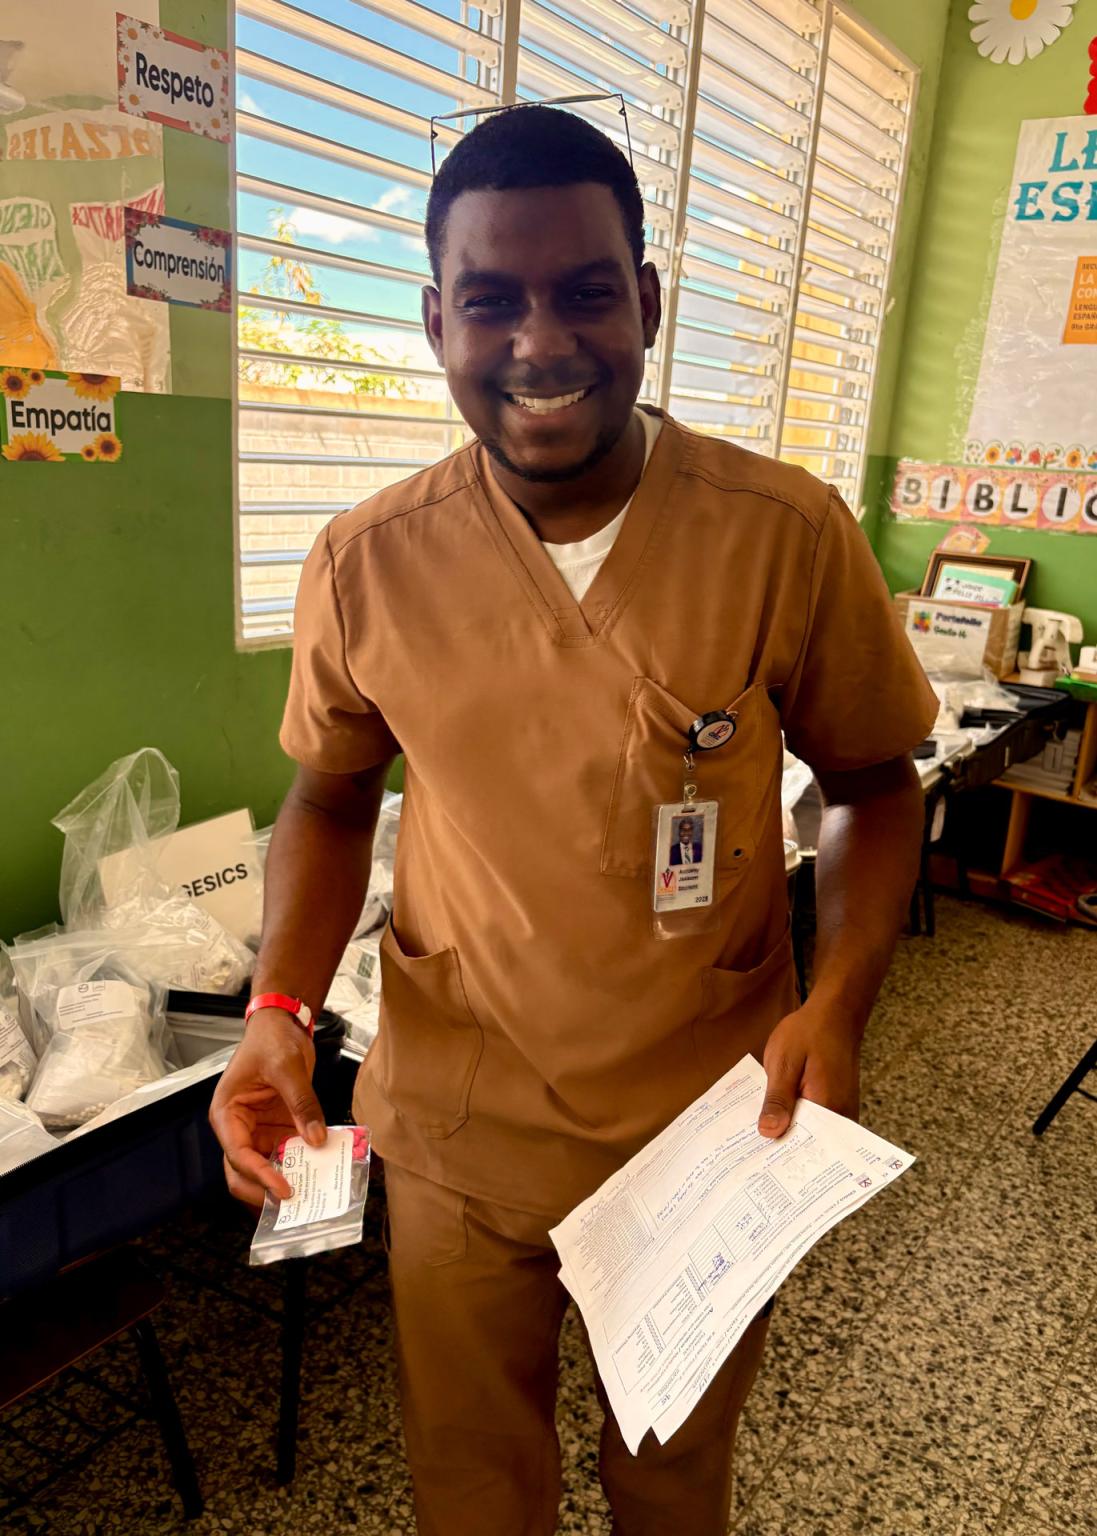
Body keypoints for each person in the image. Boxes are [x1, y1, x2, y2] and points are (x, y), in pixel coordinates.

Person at [210, 104, 937, 1536]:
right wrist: (277, 1008)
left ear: (646, 303)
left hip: (710, 1117)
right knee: (473, 1486)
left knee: (670, 1477)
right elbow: (330, 795)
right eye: (491, 299)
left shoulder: (781, 534)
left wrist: (842, 1003)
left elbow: (870, 786)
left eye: (586, 292)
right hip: (457, 1124)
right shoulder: (368, 561)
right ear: (435, 319)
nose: (540, 342)